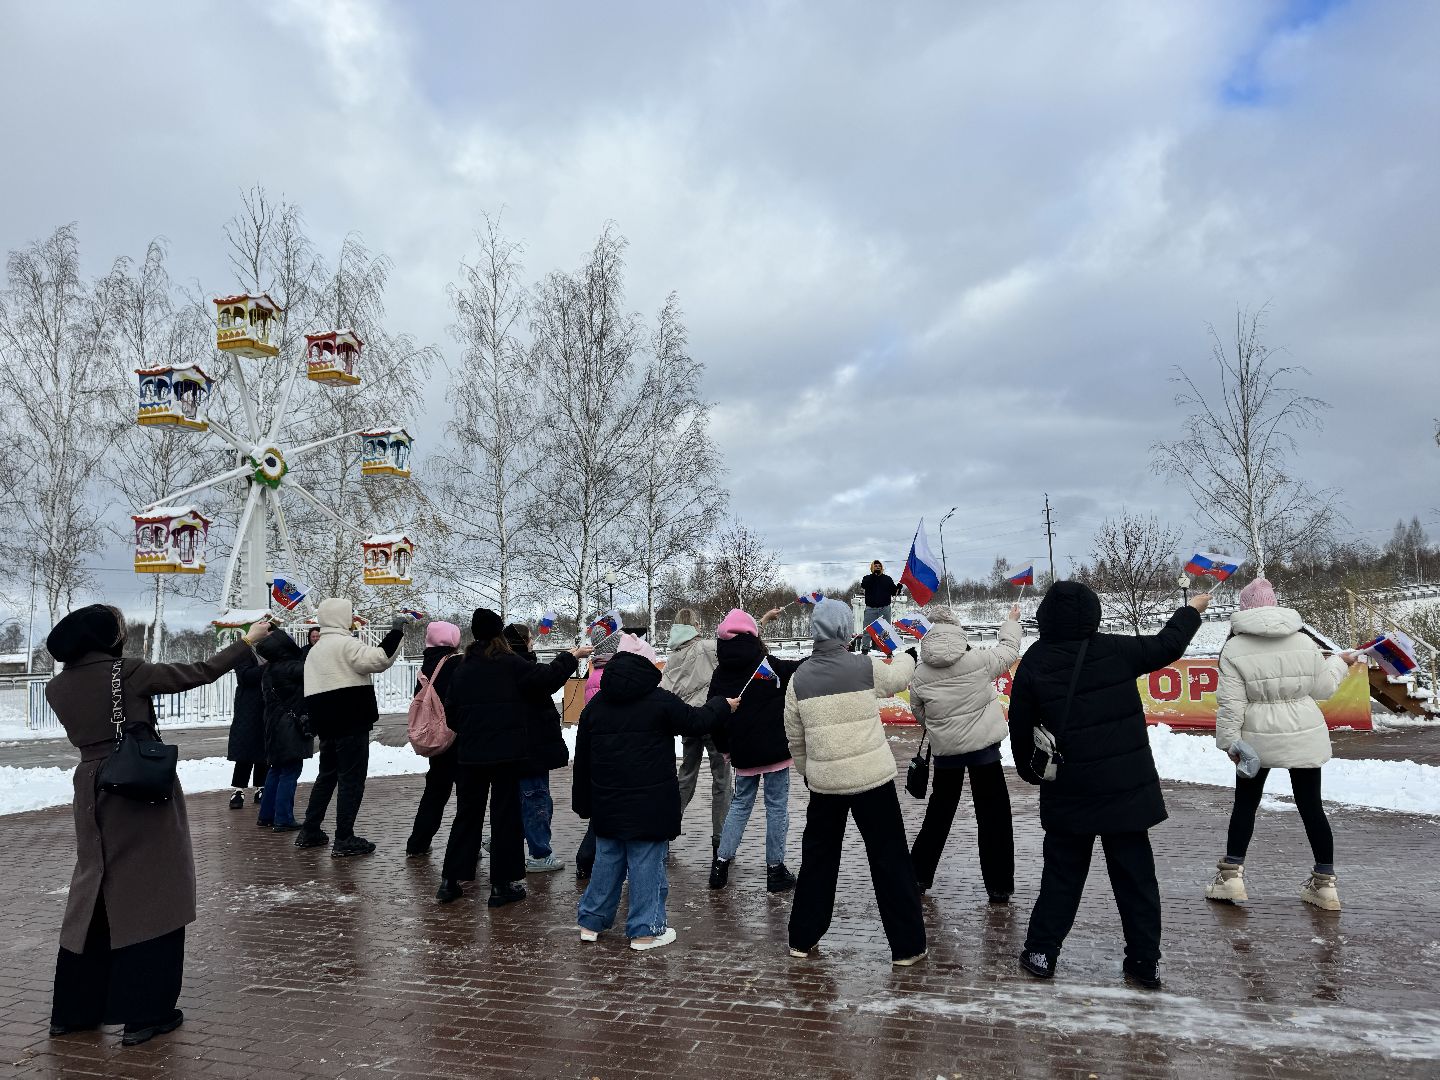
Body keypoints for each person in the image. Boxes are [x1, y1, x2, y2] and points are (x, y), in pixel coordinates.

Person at [44, 604, 271, 1046]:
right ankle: (147, 1012)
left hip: (91, 788)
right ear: (105, 638)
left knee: (92, 892)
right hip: (138, 786)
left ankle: (74, 1010)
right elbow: (201, 672)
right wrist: (247, 642)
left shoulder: (57, 687)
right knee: (154, 891)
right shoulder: (128, 672)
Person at [1007, 580, 1208, 991]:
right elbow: (1167, 645)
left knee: (1061, 877)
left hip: (1068, 790)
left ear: (1045, 615)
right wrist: (1192, 610)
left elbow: (1020, 733)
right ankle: (1144, 962)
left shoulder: (1034, 662)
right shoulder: (1117, 650)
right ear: (1093, 613)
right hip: (1126, 792)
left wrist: (1034, 775)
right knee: (1136, 879)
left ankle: (1042, 952)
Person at [784, 597, 926, 966]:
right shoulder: (864, 666)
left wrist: (809, 770)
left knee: (817, 861)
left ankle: (802, 937)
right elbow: (898, 677)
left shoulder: (798, 679)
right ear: (847, 630)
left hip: (825, 784)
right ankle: (907, 946)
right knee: (890, 860)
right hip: (872, 781)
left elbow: (795, 738)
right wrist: (910, 654)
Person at [574, 635, 739, 951]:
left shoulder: (594, 707)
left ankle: (590, 922)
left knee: (607, 863)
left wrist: (584, 804)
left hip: (607, 805)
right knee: (646, 865)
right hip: (649, 807)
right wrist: (723, 705)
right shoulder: (659, 700)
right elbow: (697, 720)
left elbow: (582, 762)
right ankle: (645, 930)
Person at [1204, 578, 1355, 911]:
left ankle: (1231, 877)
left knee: (1245, 805)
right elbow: (1323, 689)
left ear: (1245, 610)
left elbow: (1231, 704)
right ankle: (1325, 884)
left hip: (1257, 738)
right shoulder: (1303, 640)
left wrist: (1231, 743)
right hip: (1304, 731)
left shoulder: (1234, 648)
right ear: (1274, 605)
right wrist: (1340, 662)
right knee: (1311, 806)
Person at [436, 609, 588, 906]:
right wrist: (570, 656)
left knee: (467, 816)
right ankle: (501, 885)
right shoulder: (509, 663)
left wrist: (472, 730)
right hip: (506, 755)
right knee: (505, 816)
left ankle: (449, 881)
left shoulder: (463, 667)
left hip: (470, 756)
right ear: (498, 633)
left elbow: (451, 714)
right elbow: (546, 679)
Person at [907, 604, 1023, 901]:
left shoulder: (920, 673)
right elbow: (1009, 650)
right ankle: (999, 887)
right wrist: (1010, 622)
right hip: (985, 752)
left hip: (947, 755)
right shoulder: (979, 660)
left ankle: (918, 875)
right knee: (994, 814)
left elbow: (919, 711)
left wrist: (942, 728)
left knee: (939, 813)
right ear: (959, 631)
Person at [295, 599, 407, 857]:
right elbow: (379, 659)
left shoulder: (316, 649)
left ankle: (310, 830)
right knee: (351, 780)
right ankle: (344, 837)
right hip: (351, 720)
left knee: (327, 776)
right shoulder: (346, 644)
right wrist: (396, 631)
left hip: (327, 724)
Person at [707, 608, 803, 893]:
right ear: (753, 636)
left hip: (743, 754)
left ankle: (720, 865)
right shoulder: (768, 664)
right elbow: (800, 668)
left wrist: (726, 750)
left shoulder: (720, 673)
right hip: (775, 752)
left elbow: (715, 716)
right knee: (776, 808)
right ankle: (775, 870)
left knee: (739, 806)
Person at [664, 608, 729, 860]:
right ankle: (720, 839)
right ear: (695, 625)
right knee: (722, 780)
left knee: (686, 776)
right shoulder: (707, 648)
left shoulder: (671, 659)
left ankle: (667, 830)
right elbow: (740, 641)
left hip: (689, 722)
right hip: (713, 720)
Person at [505, 622, 569, 874]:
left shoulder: (509, 666)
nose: (533, 641)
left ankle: (503, 837)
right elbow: (547, 678)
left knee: (518, 798)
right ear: (522, 641)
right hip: (531, 747)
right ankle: (540, 853)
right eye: (530, 638)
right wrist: (570, 657)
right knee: (536, 800)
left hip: (521, 746)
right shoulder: (521, 668)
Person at [404, 621, 463, 857]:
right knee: (466, 794)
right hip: (455, 735)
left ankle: (418, 841)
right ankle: (464, 843)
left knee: (435, 791)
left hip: (437, 738)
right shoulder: (455, 663)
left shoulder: (426, 664)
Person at [574, 626, 624, 879]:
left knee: (604, 810)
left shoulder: (596, 674)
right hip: (606, 751)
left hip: (599, 750)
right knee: (604, 812)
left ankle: (589, 857)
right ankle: (587, 857)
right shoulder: (605, 679)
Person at [255, 630, 313, 831]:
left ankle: (266, 815)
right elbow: (315, 671)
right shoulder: (291, 668)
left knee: (276, 771)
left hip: (273, 725)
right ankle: (283, 818)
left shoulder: (269, 670)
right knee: (290, 772)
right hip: (291, 726)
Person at [226, 649, 267, 809]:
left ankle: (261, 787)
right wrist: (268, 666)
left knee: (264, 748)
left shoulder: (270, 652)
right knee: (245, 750)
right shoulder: (243, 654)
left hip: (266, 706)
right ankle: (238, 789)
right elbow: (245, 677)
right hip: (248, 707)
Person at [860, 560, 902, 649]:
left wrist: (898, 588)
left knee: (885, 630)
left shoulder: (887, 579)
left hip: (885, 609)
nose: (878, 567)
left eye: (879, 566)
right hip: (870, 609)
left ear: (882, 568)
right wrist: (874, 576)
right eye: (875, 566)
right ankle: (865, 648)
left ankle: (885, 648)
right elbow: (864, 585)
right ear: (872, 568)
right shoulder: (867, 578)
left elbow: (894, 592)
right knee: (867, 629)